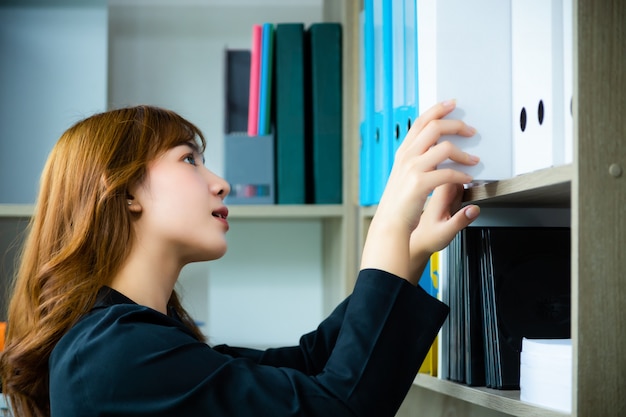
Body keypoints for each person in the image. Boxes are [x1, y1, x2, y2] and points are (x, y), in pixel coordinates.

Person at [0, 100, 480, 417]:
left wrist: (407, 252)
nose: (220, 183)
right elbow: (337, 408)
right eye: (189, 159)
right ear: (125, 191)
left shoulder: (127, 342)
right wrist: (387, 231)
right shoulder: (114, 355)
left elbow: (310, 366)